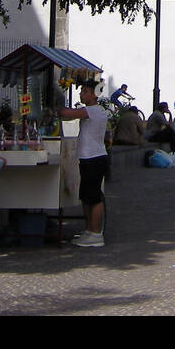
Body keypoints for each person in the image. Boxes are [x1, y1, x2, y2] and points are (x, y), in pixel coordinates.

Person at [58, 80, 110, 247]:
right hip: (89, 158)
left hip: (94, 158)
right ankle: (89, 230)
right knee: (86, 196)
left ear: (94, 94)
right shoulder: (97, 110)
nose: (81, 94)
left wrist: (56, 105)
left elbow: (69, 113)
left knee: (94, 197)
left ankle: (96, 234)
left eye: (85, 91)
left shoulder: (93, 110)